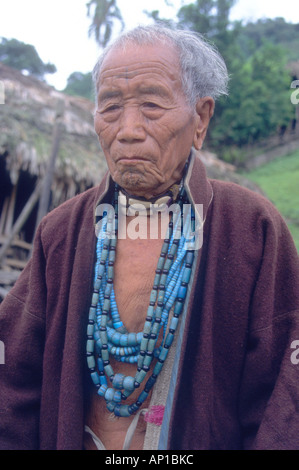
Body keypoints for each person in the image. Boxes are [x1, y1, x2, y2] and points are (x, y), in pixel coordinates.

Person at [0, 24, 299, 451]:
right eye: (110, 107)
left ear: (200, 118)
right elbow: (11, 381)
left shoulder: (252, 230)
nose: (128, 130)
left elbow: (282, 400)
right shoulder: (61, 231)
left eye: (152, 105)